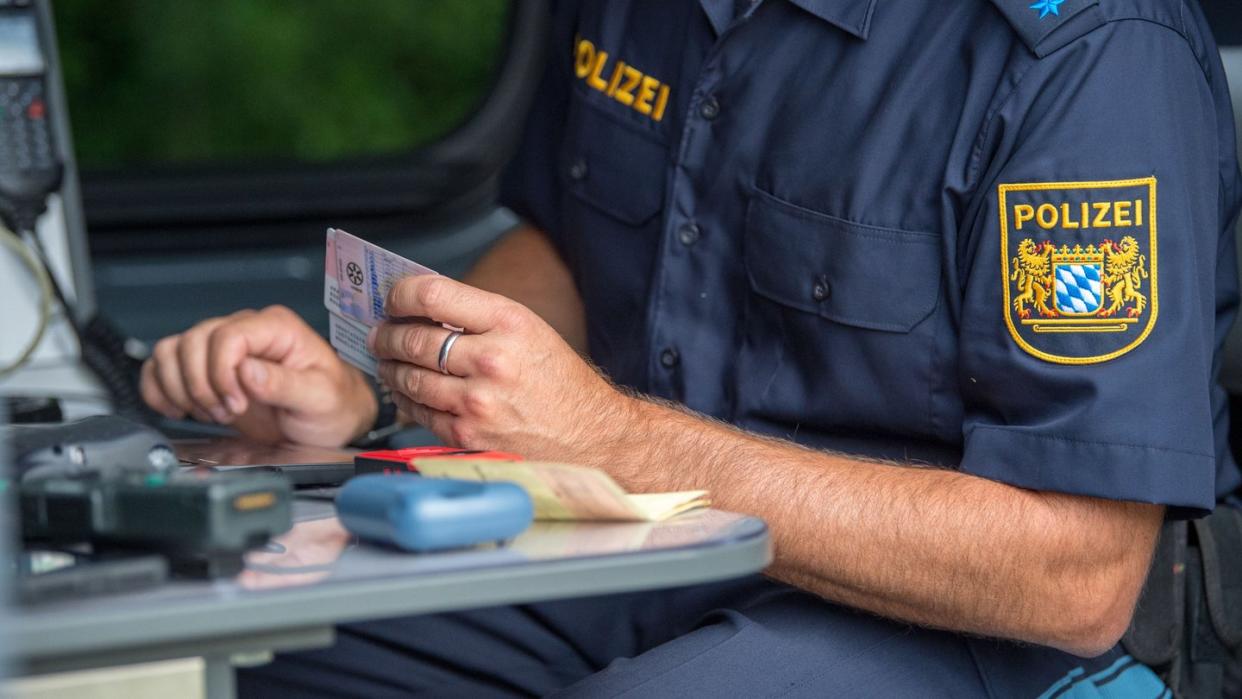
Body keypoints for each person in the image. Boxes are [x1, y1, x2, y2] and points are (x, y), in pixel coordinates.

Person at [140, 0, 1242, 695]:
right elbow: (573, 248)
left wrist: (612, 437)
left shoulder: (1093, 55)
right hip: (645, 542)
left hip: (966, 622)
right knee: (235, 645)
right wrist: (382, 382)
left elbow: (1079, 576)